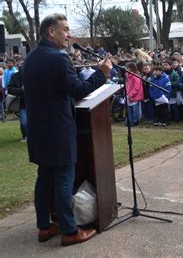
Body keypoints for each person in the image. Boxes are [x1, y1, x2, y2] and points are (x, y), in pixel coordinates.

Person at [23, 13, 111, 246]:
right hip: (58, 130)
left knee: (44, 178)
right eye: (65, 29)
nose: (68, 34)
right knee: (63, 178)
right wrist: (101, 74)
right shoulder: (58, 59)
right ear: (51, 31)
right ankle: (70, 231)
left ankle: (44, 226)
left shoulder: (30, 58)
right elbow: (78, 90)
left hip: (38, 130)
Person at [7, 67, 27, 141]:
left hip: (35, 103)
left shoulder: (35, 75)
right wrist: (21, 89)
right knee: (24, 123)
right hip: (22, 104)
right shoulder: (15, 76)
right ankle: (25, 136)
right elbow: (10, 89)